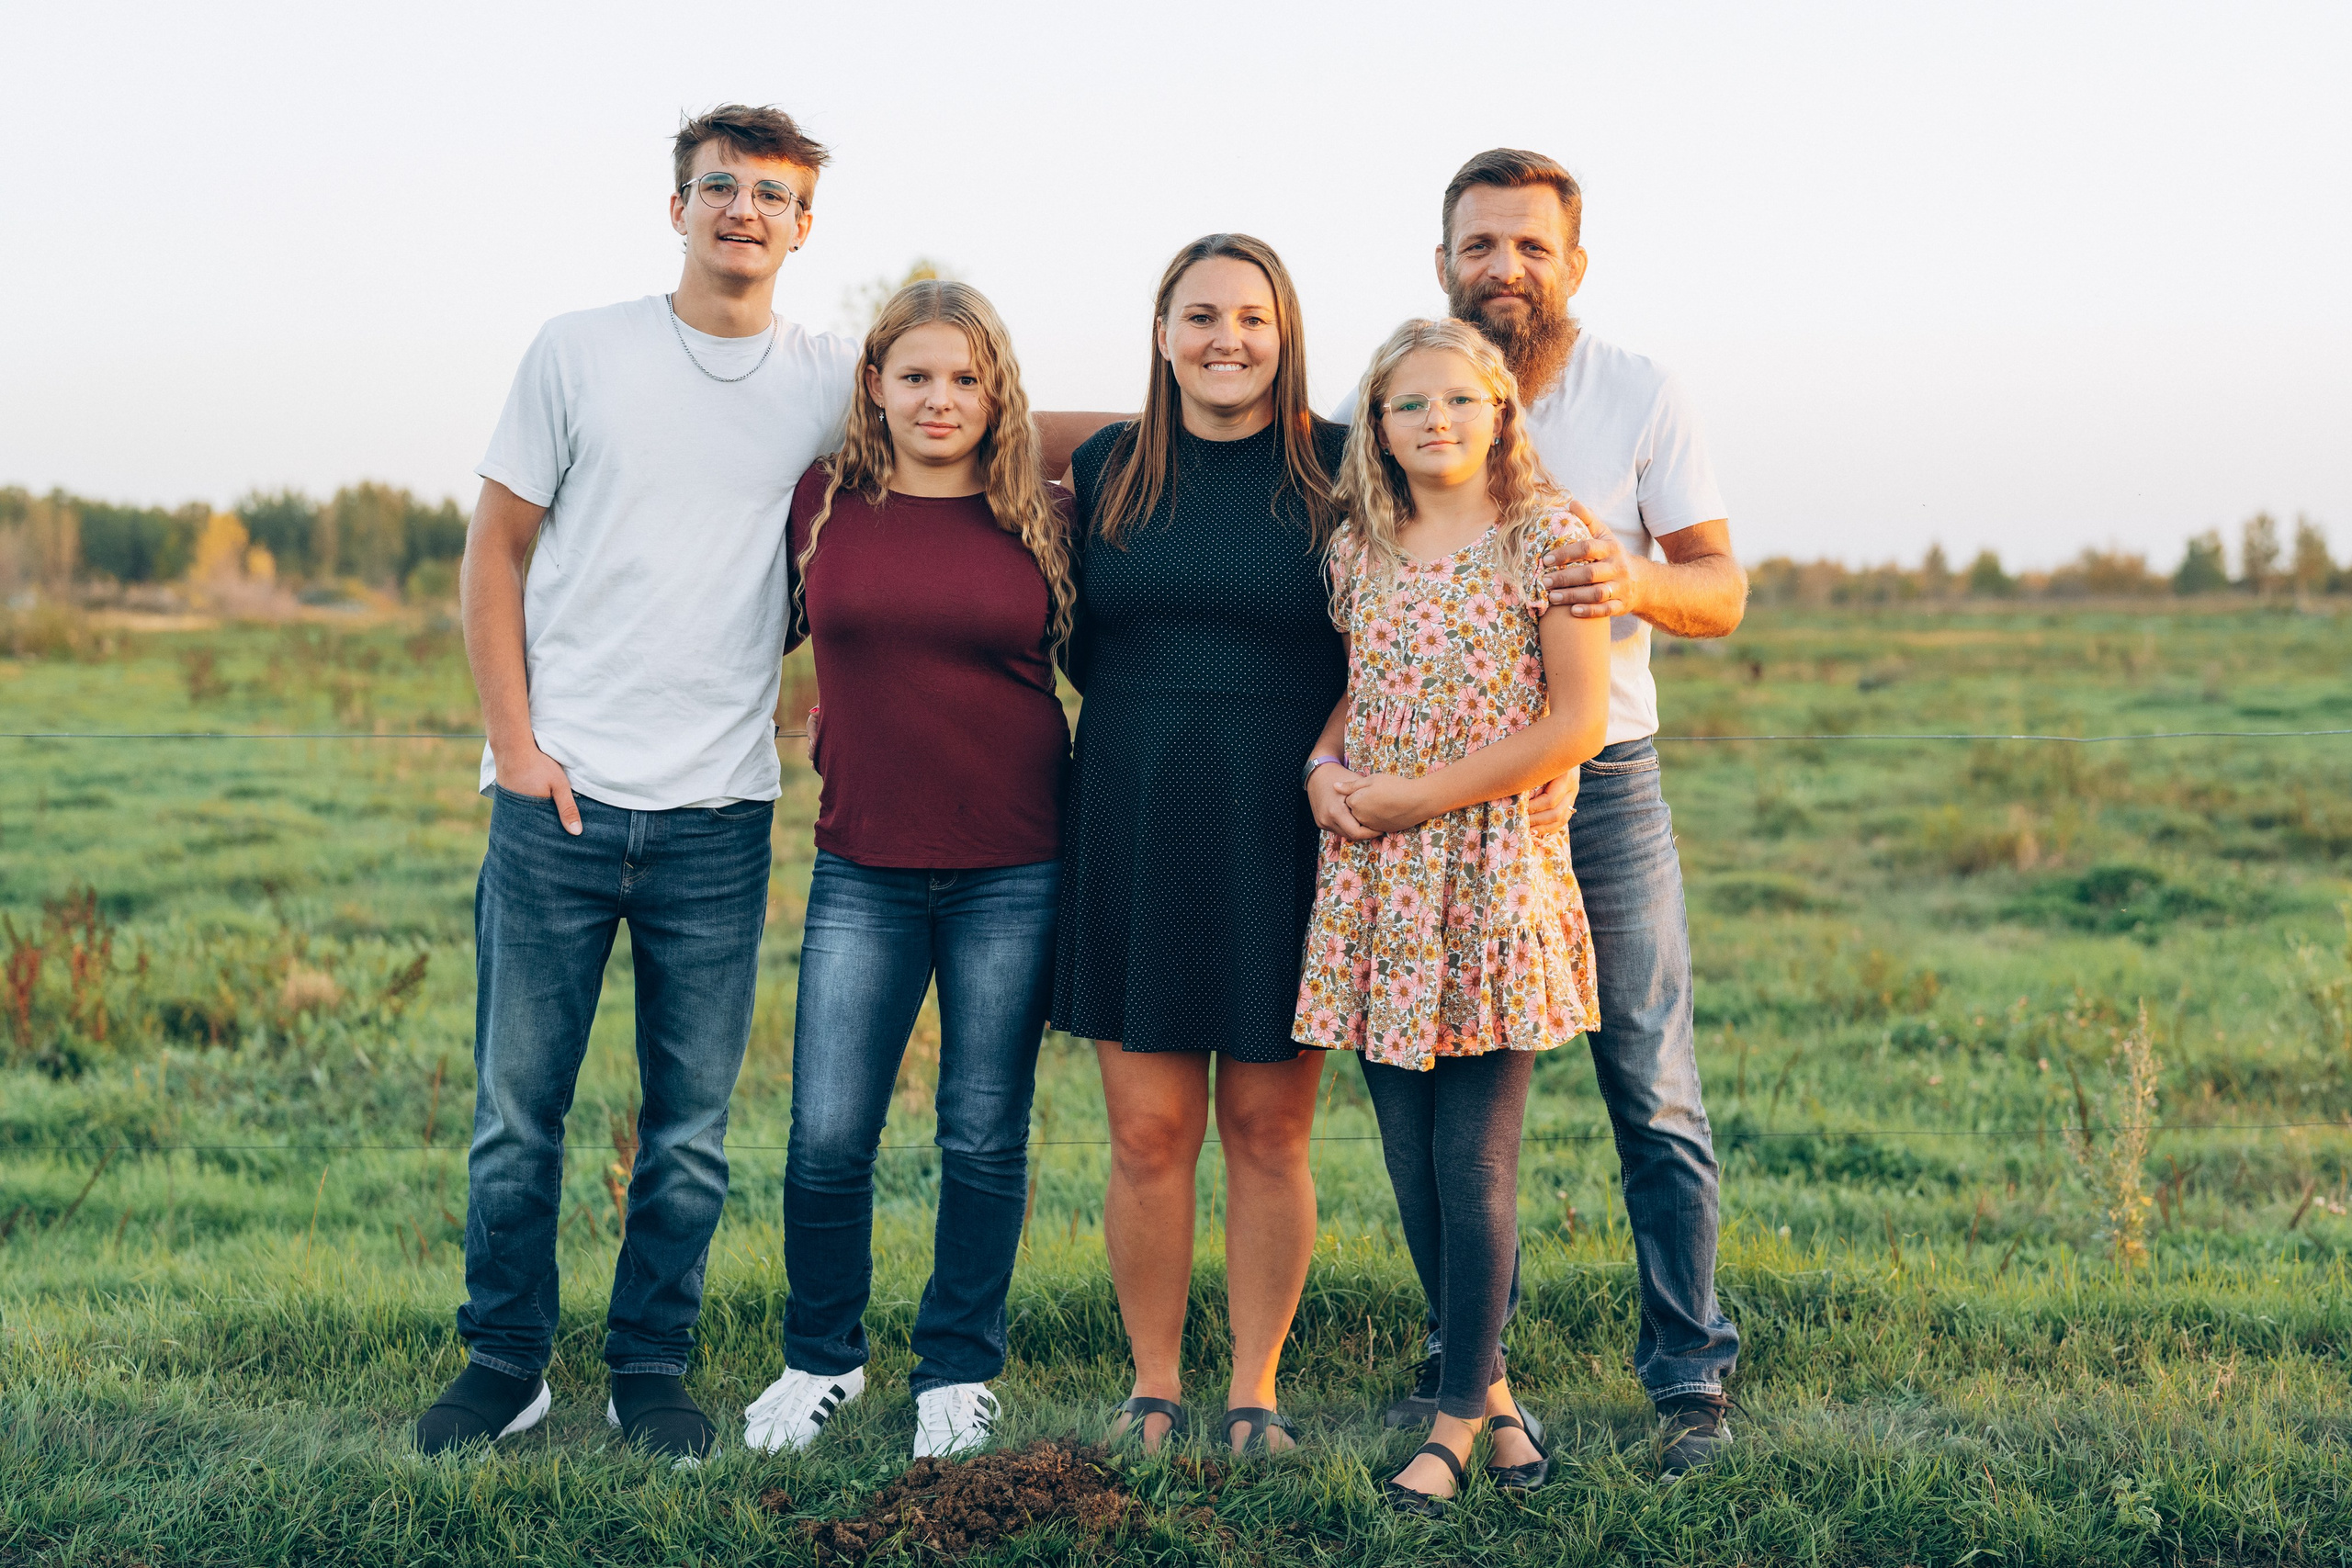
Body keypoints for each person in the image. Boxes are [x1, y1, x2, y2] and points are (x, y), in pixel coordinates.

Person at [419, 105, 857, 1462]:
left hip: (720, 811)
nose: (743, 210)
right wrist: (519, 746)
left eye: (772, 193)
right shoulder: (579, 350)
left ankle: (649, 1364)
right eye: (718, 186)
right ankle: (506, 1361)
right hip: (557, 799)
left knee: (688, 1130)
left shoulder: (835, 377)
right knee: (515, 1114)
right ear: (677, 208)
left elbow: (991, 406)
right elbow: (494, 553)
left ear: (802, 226)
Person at [1384, 147, 1748, 1477]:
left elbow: (1722, 590)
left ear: (1573, 265)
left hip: (1604, 785)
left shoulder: (1640, 391)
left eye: (1532, 246)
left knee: (1649, 1079)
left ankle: (1690, 1376)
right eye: (1481, 245)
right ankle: (1474, 1372)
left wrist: (1625, 574)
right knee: (1445, 1090)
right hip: (1445, 805)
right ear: (1444, 263)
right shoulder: (1411, 390)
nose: (1505, 268)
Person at [739, 281, 1072, 1461]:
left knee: (984, 1133)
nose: (942, 399)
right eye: (917, 375)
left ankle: (958, 1371)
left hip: (1016, 861)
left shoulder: (1040, 509)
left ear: (999, 394)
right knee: (828, 1133)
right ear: (873, 384)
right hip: (863, 863)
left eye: (967, 379)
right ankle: (821, 1355)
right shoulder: (823, 502)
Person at [1295, 317, 1611, 1514]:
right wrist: (1321, 771)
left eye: (1458, 400)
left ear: (1499, 412)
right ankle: (1497, 1397)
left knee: (1477, 1155)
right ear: (1376, 425)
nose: (1435, 422)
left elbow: (1573, 720)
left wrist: (1423, 791)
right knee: (1412, 1159)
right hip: (1379, 880)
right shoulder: (1359, 546)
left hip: (1489, 869)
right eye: (1406, 404)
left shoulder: (1548, 539)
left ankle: (1449, 1417)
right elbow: (1355, 690)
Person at [1051, 233, 1347, 1455]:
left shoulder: (1342, 466)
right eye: (1200, 315)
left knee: (1271, 1129)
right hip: (1133, 812)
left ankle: (1255, 1392)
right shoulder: (1106, 465)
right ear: (1162, 333)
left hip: (1286, 818)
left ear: (1285, 335)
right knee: (1147, 1130)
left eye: (1252, 316)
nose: (1227, 337)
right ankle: (1155, 1385)